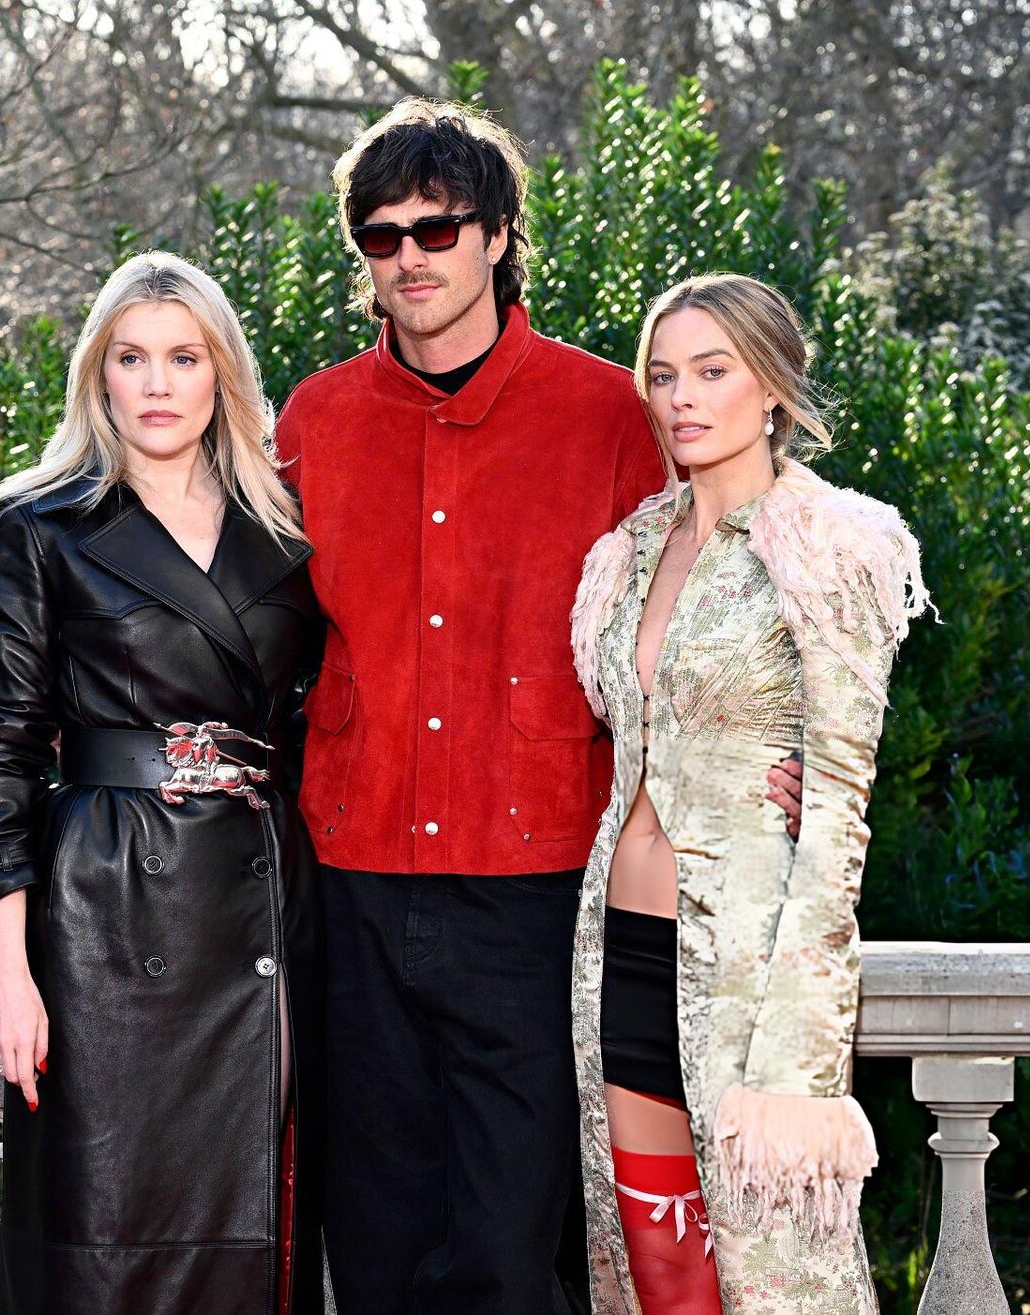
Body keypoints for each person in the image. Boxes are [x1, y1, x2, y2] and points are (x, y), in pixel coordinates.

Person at [272, 101, 801, 1314]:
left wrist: (775, 753)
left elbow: (728, 574)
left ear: (499, 236)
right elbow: (253, 627)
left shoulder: (611, 413)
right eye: (380, 235)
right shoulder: (314, 420)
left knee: (515, 1249)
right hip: (351, 879)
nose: (409, 256)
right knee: (377, 1239)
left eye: (438, 229)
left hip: (538, 888)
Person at [0, 251, 326, 1314]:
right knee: (101, 1229)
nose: (157, 383)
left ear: (223, 374)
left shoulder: (284, 525)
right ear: (99, 374)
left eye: (184, 357)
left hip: (259, 902)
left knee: (252, 1236)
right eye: (131, 358)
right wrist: (8, 971)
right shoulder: (39, 524)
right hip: (104, 914)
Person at [568, 274, 929, 1313]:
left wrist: (800, 1046)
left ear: (770, 385)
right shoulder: (632, 550)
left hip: (748, 970)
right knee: (656, 1267)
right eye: (664, 374)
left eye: (712, 370)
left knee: (777, 1277)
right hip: (615, 947)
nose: (683, 396)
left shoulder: (827, 544)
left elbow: (840, 805)